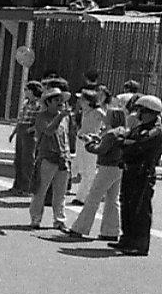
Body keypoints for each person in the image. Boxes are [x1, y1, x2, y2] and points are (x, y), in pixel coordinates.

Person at [66, 95, 126, 242]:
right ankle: (111, 231)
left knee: (93, 198)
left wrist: (89, 143)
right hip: (118, 168)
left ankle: (80, 227)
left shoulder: (111, 134)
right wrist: (97, 138)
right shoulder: (121, 131)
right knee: (113, 199)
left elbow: (100, 150)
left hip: (107, 167)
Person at [111, 94, 162, 256]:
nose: (138, 114)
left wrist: (126, 143)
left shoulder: (155, 130)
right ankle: (127, 238)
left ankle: (139, 243)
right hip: (130, 169)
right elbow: (124, 139)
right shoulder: (140, 127)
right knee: (126, 204)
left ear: (151, 112)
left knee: (139, 208)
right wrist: (125, 142)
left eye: (142, 111)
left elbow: (139, 144)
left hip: (143, 172)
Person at [29, 84, 73, 230]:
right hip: (47, 157)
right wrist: (59, 117)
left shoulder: (65, 118)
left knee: (60, 193)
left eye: (61, 100)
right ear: (48, 102)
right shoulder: (42, 116)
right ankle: (36, 218)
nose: (60, 103)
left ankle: (59, 220)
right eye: (56, 100)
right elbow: (48, 131)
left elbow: (66, 137)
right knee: (40, 190)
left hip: (63, 157)